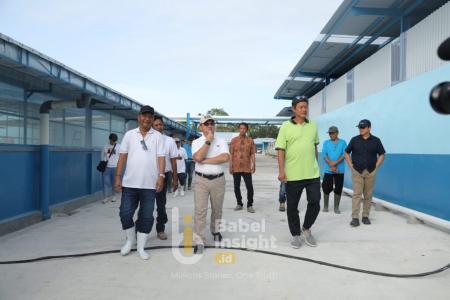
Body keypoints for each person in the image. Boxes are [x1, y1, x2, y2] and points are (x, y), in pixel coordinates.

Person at [114, 105, 165, 260]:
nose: (147, 119)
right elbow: (122, 156)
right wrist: (117, 176)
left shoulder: (157, 136)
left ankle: (141, 247)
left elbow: (161, 157)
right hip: (130, 184)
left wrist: (161, 176)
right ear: (139, 117)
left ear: (152, 119)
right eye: (144, 115)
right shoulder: (129, 135)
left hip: (149, 185)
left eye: (150, 116)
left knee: (146, 216)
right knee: (125, 213)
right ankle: (130, 240)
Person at [275, 96, 321, 249]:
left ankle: (306, 229)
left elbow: (314, 148)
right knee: (292, 207)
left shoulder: (313, 126)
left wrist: (316, 164)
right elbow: (281, 150)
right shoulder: (285, 127)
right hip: (293, 175)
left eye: (306, 107)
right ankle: (295, 234)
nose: (304, 109)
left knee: (315, 202)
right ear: (294, 109)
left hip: (312, 174)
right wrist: (281, 171)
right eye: (301, 107)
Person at [192, 115, 230, 254]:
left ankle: (215, 231)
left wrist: (205, 160)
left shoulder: (221, 141)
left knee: (217, 209)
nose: (209, 125)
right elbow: (196, 157)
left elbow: (225, 157)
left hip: (218, 180)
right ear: (201, 127)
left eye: (211, 123)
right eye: (206, 124)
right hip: (201, 181)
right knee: (200, 211)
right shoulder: (196, 142)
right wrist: (208, 141)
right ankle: (199, 240)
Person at [344, 119, 385, 227]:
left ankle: (365, 216)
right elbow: (346, 152)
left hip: (370, 172)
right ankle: (355, 218)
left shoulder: (376, 141)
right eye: (359, 127)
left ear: (369, 128)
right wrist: (350, 166)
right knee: (357, 195)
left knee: (368, 195)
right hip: (357, 171)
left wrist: (376, 166)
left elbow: (382, 154)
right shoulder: (354, 140)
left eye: (363, 127)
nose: (361, 129)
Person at [152, 116, 178, 240]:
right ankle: (139, 229)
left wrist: (175, 179)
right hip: (148, 176)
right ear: (152, 126)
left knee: (161, 204)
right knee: (145, 205)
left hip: (164, 176)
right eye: (156, 125)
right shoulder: (147, 139)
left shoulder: (169, 141)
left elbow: (173, 162)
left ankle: (160, 228)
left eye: (160, 125)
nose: (159, 127)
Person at [229, 122, 256, 213]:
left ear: (247, 130)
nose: (242, 130)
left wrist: (254, 164)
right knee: (236, 186)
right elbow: (231, 154)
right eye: (241, 128)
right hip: (236, 167)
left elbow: (252, 153)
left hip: (247, 167)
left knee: (250, 187)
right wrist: (230, 165)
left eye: (244, 128)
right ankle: (239, 203)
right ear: (238, 129)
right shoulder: (234, 140)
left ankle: (250, 205)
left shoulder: (250, 140)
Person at [321, 126, 347, 214]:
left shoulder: (343, 142)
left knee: (338, 188)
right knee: (326, 187)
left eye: (332, 133)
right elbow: (324, 154)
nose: (331, 135)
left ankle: (336, 207)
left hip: (339, 170)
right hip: (328, 170)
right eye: (329, 133)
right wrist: (331, 165)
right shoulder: (326, 143)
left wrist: (335, 163)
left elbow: (344, 154)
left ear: (337, 133)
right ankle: (325, 206)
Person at [101, 133, 120, 204]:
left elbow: (121, 157)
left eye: (114, 141)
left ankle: (114, 196)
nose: (113, 142)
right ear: (109, 140)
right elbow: (102, 156)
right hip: (107, 167)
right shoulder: (105, 146)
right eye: (112, 141)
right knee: (105, 182)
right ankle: (106, 197)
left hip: (115, 167)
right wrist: (103, 164)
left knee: (114, 182)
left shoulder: (119, 146)